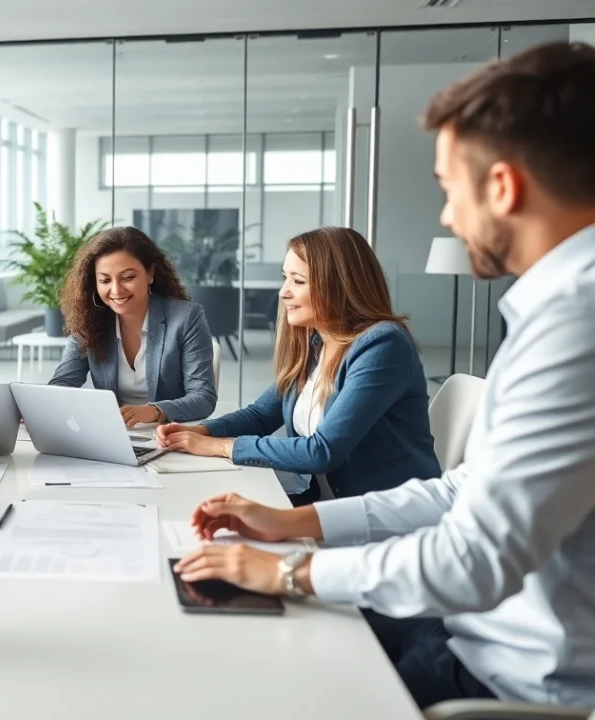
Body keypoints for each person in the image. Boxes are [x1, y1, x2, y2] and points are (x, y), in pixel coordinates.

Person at [172, 41, 595, 710]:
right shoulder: (560, 309)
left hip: (503, 670)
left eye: (448, 190)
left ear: (503, 187)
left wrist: (294, 570)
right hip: (466, 634)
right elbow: (460, 491)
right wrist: (297, 523)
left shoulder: (576, 324)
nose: (448, 217)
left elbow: (474, 558)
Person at [156, 227, 439, 504]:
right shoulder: (316, 343)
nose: (283, 293)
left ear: (339, 285)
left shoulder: (383, 345)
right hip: (327, 501)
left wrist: (219, 447)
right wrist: (199, 432)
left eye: (298, 281)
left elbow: (322, 451)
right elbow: (261, 415)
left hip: (385, 510)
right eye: (285, 278)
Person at [48, 225, 216, 427]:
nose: (116, 290)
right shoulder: (88, 321)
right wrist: (42, 405)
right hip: (112, 433)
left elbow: (203, 397)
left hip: (167, 433)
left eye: (128, 277)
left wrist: (154, 411)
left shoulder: (186, 317)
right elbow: (63, 383)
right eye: (105, 280)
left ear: (150, 273)